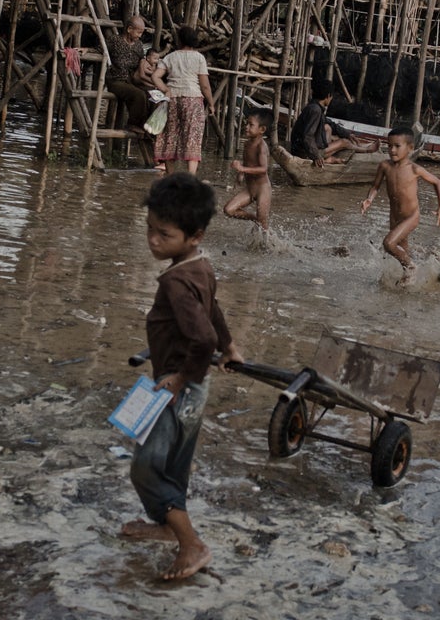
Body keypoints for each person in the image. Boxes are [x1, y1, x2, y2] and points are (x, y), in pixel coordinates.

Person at [121, 173, 245, 580]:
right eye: (149, 230)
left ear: (194, 235)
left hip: (177, 389)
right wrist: (229, 347)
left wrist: (176, 380)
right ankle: (165, 527)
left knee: (146, 467)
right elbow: (213, 312)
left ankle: (191, 545)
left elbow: (202, 335)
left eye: (164, 234)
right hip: (193, 387)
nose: (152, 241)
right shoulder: (199, 266)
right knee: (174, 464)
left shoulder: (176, 280)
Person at [360, 127, 440, 284]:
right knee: (402, 251)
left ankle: (412, 268)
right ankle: (427, 267)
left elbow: (437, 182)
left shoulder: (414, 169)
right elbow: (375, 186)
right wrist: (369, 199)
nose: (392, 150)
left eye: (397, 146)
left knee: (388, 243)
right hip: (395, 217)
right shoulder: (385, 166)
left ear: (410, 148)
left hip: (411, 216)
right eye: (389, 145)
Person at [153, 25, 214, 176]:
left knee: (169, 136)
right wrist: (211, 103)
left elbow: (155, 76)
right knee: (192, 136)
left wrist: (166, 90)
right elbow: (205, 85)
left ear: (179, 40)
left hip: (172, 99)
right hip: (192, 100)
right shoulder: (199, 58)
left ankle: (170, 175)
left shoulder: (170, 57)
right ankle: (191, 176)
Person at [291, 80, 359, 166]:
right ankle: (366, 149)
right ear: (328, 96)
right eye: (331, 97)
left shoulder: (313, 106)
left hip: (298, 148)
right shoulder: (316, 110)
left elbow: (330, 124)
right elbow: (308, 136)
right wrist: (316, 156)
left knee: (327, 127)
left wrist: (347, 134)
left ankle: (327, 157)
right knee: (344, 142)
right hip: (304, 153)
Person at [224, 110, 273, 230]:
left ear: (262, 129)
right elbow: (247, 163)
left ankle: (268, 244)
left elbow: (263, 169)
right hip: (250, 189)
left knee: (263, 224)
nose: (246, 127)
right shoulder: (247, 144)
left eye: (251, 125)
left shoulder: (261, 146)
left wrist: (242, 168)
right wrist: (240, 175)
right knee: (229, 210)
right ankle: (254, 219)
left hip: (263, 190)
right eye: (247, 123)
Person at [105, 15, 151, 132]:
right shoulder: (114, 40)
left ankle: (148, 126)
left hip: (132, 80)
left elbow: (142, 62)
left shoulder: (138, 45)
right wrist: (84, 50)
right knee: (138, 94)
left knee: (151, 94)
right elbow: (100, 49)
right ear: (129, 29)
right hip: (116, 80)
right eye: (138, 32)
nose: (140, 36)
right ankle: (133, 124)